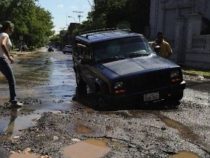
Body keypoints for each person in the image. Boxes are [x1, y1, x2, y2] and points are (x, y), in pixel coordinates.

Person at [0, 21, 22, 108]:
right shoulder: (5, 35)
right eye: (12, 28)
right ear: (8, 28)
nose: (12, 30)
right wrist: (9, 57)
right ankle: (13, 101)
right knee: (11, 80)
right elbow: (2, 44)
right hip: (1, 60)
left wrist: (8, 54)